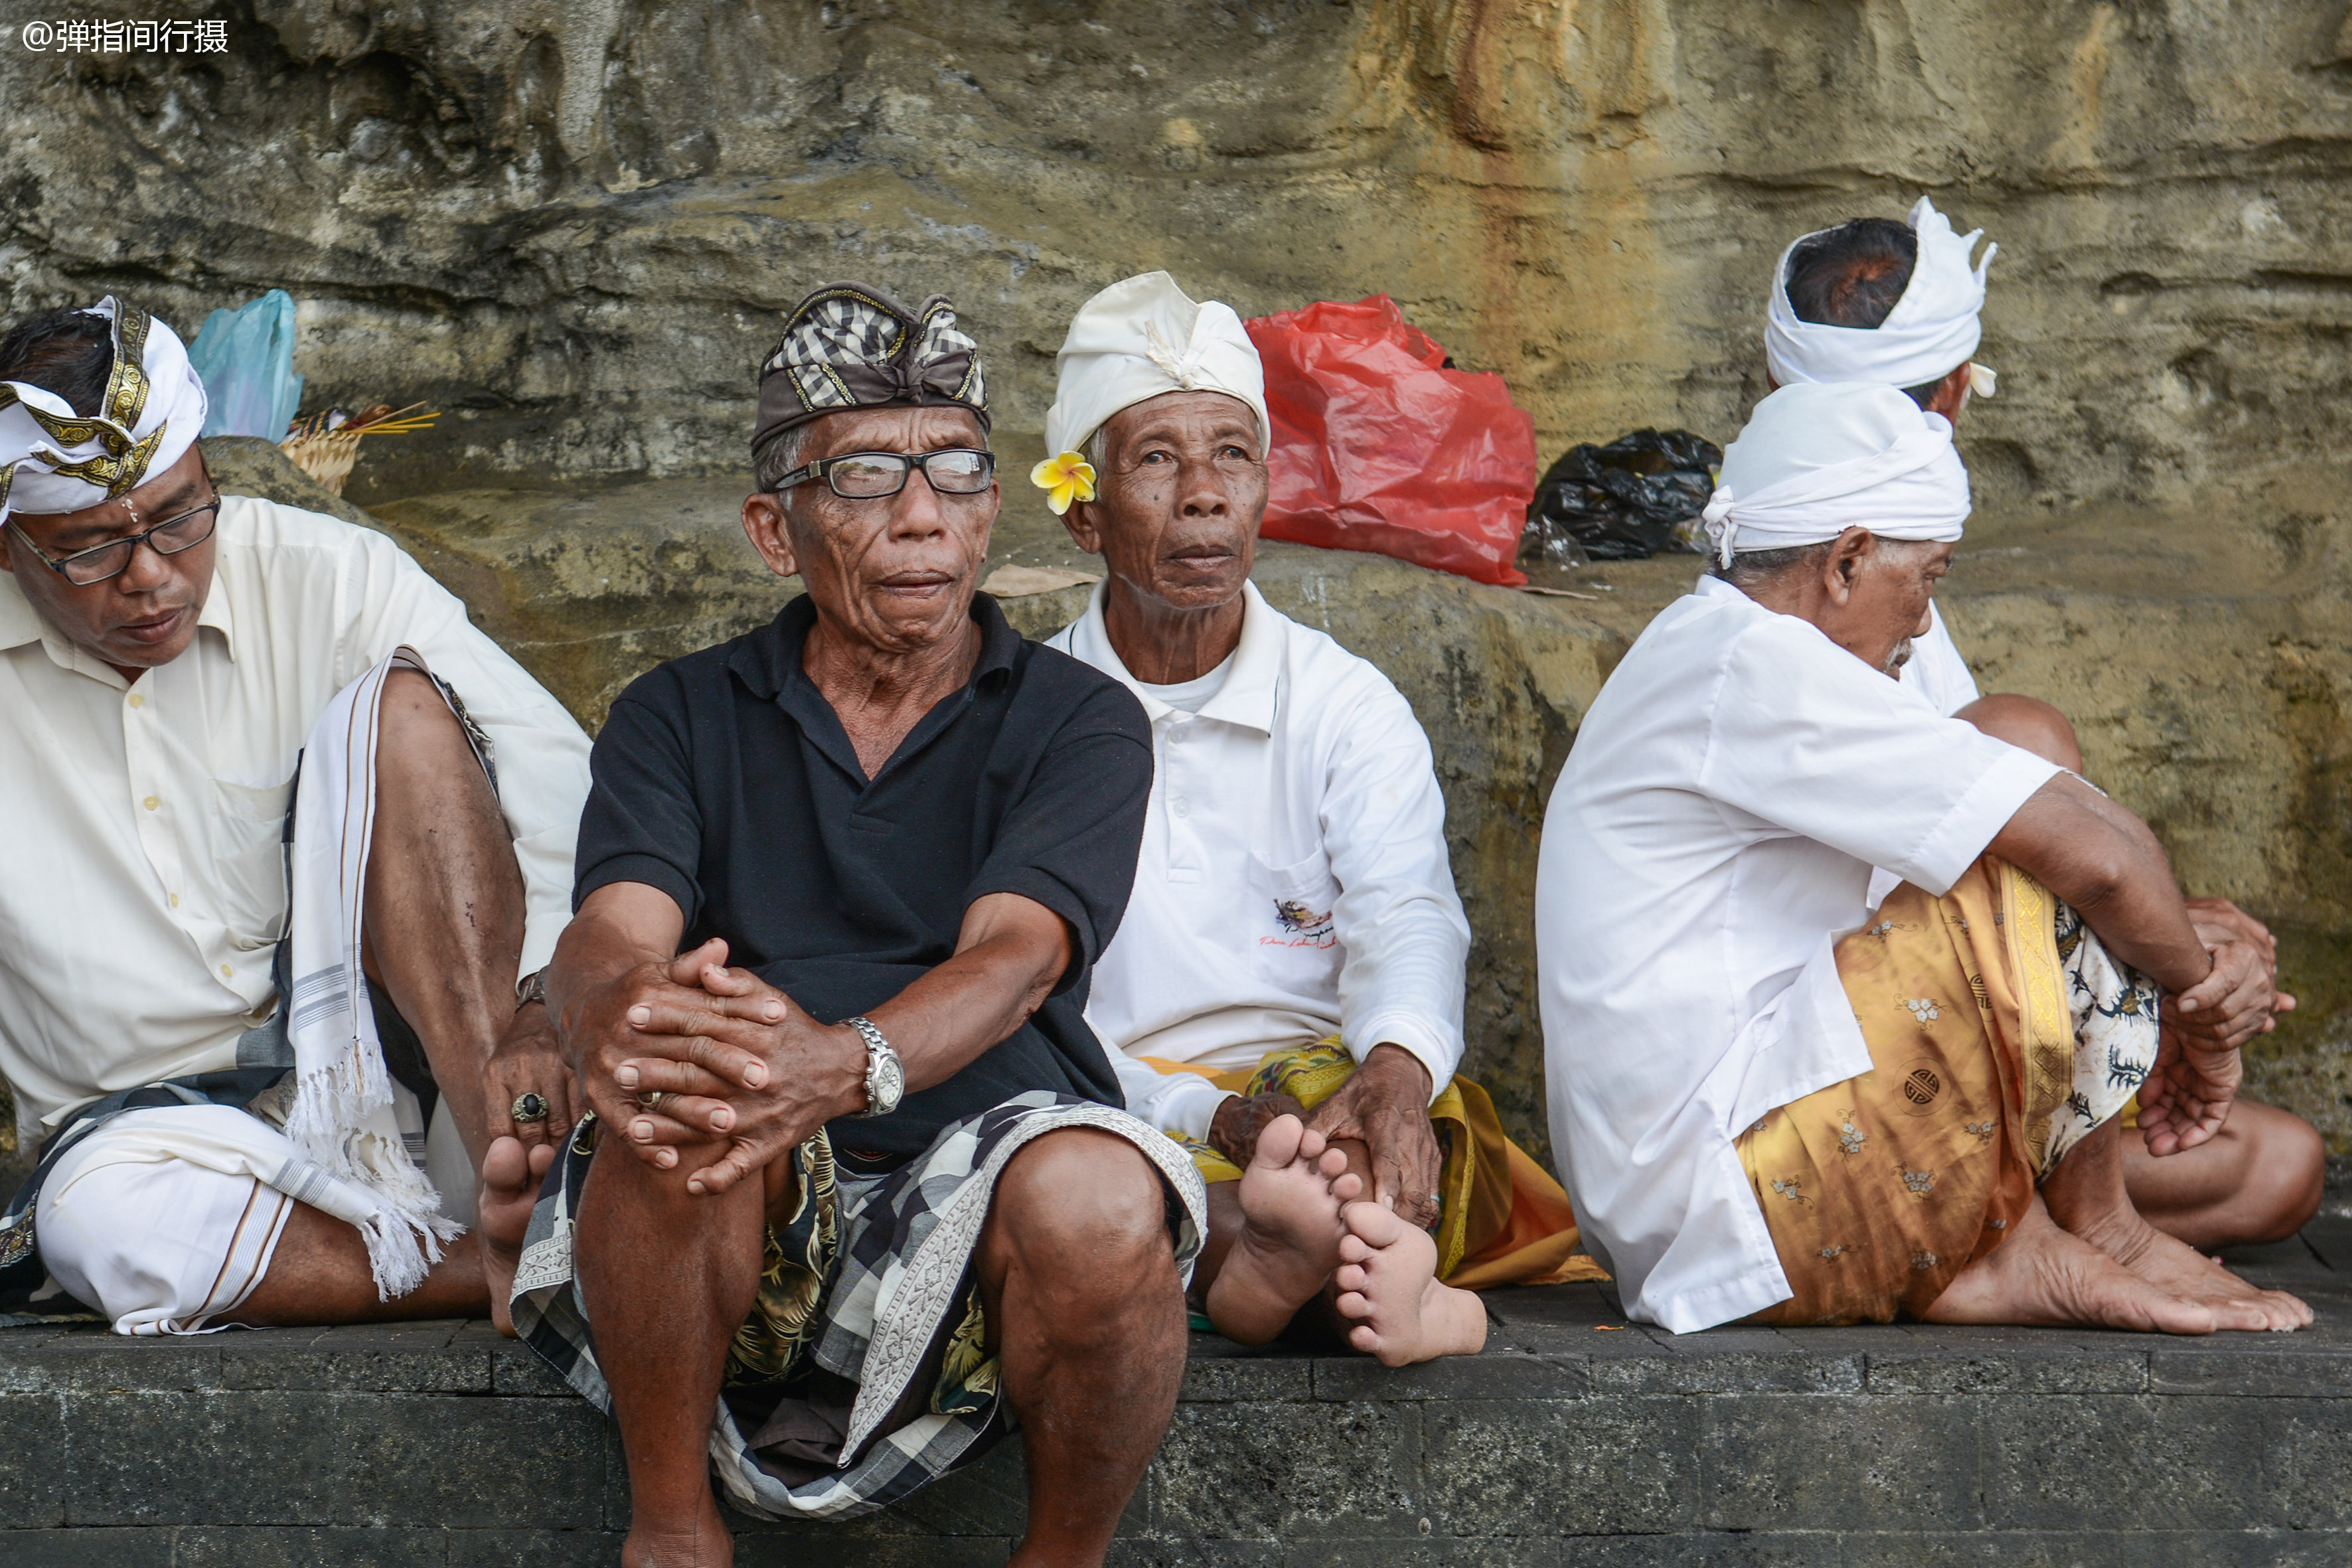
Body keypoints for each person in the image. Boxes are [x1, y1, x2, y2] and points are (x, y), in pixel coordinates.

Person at [489, 281, 1206, 1568]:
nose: (922, 514)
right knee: (678, 1099)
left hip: (984, 1143)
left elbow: (1013, 954)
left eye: (955, 471)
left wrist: (846, 1058)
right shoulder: (679, 711)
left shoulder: (1077, 719)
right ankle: (671, 1529)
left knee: (1103, 1198)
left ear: (993, 507)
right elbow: (616, 923)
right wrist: (612, 1010)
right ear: (777, 528)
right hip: (750, 1161)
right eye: (869, 475)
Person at [1537, 380, 2308, 1336]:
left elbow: (2077, 865)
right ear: (1848, 560)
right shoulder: (1748, 666)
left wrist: (2166, 942)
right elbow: (2093, 856)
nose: (1923, 622)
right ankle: (2085, 1229)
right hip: (1736, 1215)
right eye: (1929, 581)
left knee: (2023, 783)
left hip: (1727, 1211)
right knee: (2026, 789)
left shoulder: (1730, 651)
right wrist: (2204, 1003)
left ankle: (2004, 1248)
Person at [0, 298, 592, 1335]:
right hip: (169, 1159)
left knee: (402, 715)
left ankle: (522, 1195)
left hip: (430, 1103)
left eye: (180, 516)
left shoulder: (328, 576)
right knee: (97, 1220)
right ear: (7, 550)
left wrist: (538, 1016)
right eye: (89, 550)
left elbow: (566, 789)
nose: (151, 575)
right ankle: (504, 1268)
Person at [1763, 201, 2323, 1248]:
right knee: (2026, 741)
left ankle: (1996, 1210)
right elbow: (1968, 864)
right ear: (1952, 399)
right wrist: (2183, 974)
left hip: (1955, 1033)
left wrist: (2171, 930)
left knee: (2282, 1169)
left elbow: (2005, 859)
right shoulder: (1786, 605)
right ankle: (2046, 1230)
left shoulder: (1896, 589)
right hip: (1826, 1080)